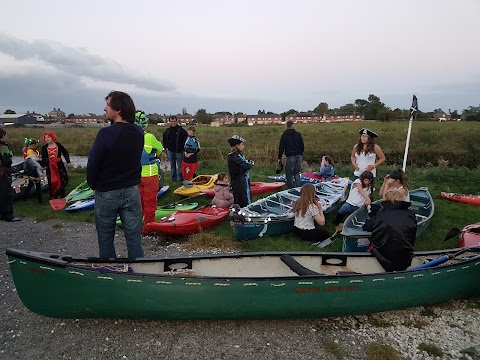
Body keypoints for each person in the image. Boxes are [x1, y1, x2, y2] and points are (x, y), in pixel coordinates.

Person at [87, 91, 144, 259]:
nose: (105, 108)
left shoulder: (105, 134)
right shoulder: (139, 132)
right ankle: (140, 272)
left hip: (107, 192)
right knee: (134, 237)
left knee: (105, 237)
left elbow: (93, 163)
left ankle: (109, 271)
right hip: (131, 191)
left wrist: (93, 185)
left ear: (118, 109)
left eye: (108, 105)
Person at [367, 188, 417, 272]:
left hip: (382, 253)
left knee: (370, 244)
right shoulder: (410, 214)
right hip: (405, 253)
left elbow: (370, 228)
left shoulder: (382, 213)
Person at [134, 110, 164, 234]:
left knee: (138, 203)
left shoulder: (128, 138)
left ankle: (135, 227)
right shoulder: (149, 137)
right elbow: (160, 149)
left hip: (135, 176)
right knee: (150, 203)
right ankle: (147, 228)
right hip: (150, 175)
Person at [40, 131, 73, 199]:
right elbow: (43, 158)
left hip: (59, 165)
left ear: (52, 137)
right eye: (45, 138)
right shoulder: (44, 147)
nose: (47, 139)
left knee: (62, 179)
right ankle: (53, 195)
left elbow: (65, 153)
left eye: (48, 137)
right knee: (52, 181)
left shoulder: (58, 145)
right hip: (50, 166)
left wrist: (68, 162)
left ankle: (62, 195)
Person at [0, 128, 21, 222]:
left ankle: (1, 214)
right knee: (7, 194)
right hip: (3, 172)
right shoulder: (3, 146)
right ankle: (8, 215)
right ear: (2, 136)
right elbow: (7, 161)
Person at [227, 135, 253, 208]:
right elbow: (247, 165)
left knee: (240, 198)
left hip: (240, 180)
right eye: (242, 144)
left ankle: (240, 212)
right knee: (244, 199)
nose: (243, 146)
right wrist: (251, 163)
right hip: (240, 181)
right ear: (237, 145)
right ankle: (246, 212)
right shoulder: (235, 156)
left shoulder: (237, 155)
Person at [278, 120, 304, 188]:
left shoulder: (284, 135)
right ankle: (298, 188)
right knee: (297, 173)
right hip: (299, 156)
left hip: (290, 156)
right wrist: (300, 153)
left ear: (287, 126)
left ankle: (290, 189)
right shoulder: (298, 134)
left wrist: (279, 157)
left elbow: (281, 147)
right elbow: (302, 145)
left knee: (289, 174)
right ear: (293, 125)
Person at [162, 116, 188, 183]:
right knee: (172, 166)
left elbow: (185, 140)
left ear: (176, 121)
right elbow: (164, 140)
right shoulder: (167, 131)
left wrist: (184, 149)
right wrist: (166, 148)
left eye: (174, 121)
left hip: (179, 151)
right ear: (170, 122)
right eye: (171, 121)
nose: (173, 123)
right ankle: (174, 180)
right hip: (170, 151)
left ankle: (182, 179)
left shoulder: (181, 130)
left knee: (180, 166)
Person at [22, 138, 44, 204]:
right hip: (33, 169)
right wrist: (40, 159)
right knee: (37, 184)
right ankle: (40, 200)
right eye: (35, 145)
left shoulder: (28, 150)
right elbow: (34, 159)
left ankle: (24, 197)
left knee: (31, 184)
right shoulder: (30, 151)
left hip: (30, 170)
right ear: (32, 145)